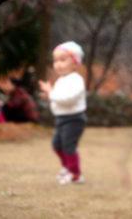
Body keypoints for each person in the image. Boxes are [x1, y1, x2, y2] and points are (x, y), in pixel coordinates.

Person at [39, 41, 87, 185]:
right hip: (61, 119)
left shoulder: (76, 80)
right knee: (57, 145)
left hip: (74, 119)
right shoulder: (61, 80)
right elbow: (57, 98)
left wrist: (50, 92)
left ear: (75, 63)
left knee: (68, 146)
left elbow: (67, 99)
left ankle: (75, 174)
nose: (58, 64)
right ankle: (67, 167)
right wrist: (49, 95)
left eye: (63, 60)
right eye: (55, 60)